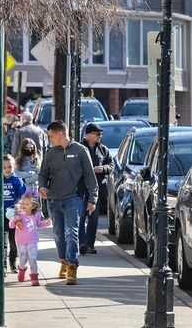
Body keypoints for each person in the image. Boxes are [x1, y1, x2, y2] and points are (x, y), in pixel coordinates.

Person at [38, 120, 97, 285]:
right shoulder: (50, 153)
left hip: (74, 198)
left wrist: (92, 199)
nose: (50, 140)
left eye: (51, 137)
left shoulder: (80, 151)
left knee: (72, 232)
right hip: (54, 200)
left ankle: (72, 266)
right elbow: (43, 174)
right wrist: (42, 186)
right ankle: (63, 261)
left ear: (60, 134)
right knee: (58, 234)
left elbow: (90, 177)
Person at [78, 123, 113, 255]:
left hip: (97, 190)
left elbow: (111, 165)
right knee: (80, 217)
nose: (100, 136)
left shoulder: (103, 149)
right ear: (89, 134)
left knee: (93, 219)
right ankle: (82, 243)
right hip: (81, 189)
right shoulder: (79, 148)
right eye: (97, 134)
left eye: (100, 134)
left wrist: (102, 169)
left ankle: (90, 245)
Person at [9, 192, 51, 286]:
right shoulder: (19, 215)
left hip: (32, 241)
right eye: (23, 203)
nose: (24, 205)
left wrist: (47, 223)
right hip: (21, 241)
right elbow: (11, 226)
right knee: (23, 259)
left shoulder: (35, 215)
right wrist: (14, 219)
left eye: (27, 204)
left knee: (33, 259)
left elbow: (38, 224)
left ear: (33, 206)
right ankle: (22, 270)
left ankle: (34, 278)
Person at [2, 154, 27, 273]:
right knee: (2, 240)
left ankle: (12, 262)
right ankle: (3, 265)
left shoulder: (17, 181)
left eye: (9, 167)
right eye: (5, 167)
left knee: (13, 240)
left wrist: (20, 205)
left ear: (14, 166)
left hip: (13, 214)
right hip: (0, 214)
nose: (7, 170)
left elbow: (24, 197)